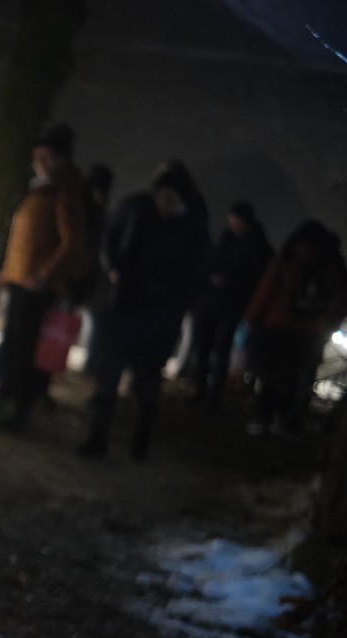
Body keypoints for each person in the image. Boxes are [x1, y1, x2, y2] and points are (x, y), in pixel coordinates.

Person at [76, 162, 210, 460]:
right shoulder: (136, 207)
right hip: (124, 307)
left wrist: (175, 305)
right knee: (108, 375)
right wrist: (112, 268)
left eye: (170, 198)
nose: (163, 202)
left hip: (159, 320)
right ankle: (97, 438)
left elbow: (197, 276)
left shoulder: (193, 228)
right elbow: (110, 237)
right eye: (160, 195)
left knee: (147, 383)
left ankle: (140, 443)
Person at [0, 124, 87, 431]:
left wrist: (45, 274)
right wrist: (2, 265)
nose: (38, 160)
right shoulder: (36, 187)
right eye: (37, 154)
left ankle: (18, 407)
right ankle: (6, 397)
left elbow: (72, 242)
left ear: (59, 159)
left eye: (45, 155)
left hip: (36, 286)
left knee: (25, 349)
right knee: (13, 343)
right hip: (18, 280)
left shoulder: (63, 191)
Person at [243, 220, 347, 435]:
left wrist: (252, 317)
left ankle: (262, 418)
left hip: (278, 325)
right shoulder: (331, 263)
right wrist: (330, 324)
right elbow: (341, 298)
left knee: (270, 375)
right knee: (295, 377)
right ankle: (283, 419)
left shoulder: (286, 258)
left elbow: (266, 289)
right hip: (312, 330)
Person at [185, 201, 273, 410]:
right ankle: (200, 389)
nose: (233, 224)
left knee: (222, 351)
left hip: (232, 305)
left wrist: (230, 281)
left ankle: (213, 395)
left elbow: (255, 279)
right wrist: (205, 284)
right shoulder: (225, 239)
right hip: (210, 302)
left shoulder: (258, 246)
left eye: (237, 220)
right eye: (231, 220)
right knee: (203, 346)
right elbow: (210, 263)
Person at [75, 163, 114, 375]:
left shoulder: (98, 216)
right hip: (81, 273)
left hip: (94, 277)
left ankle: (91, 365)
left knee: (96, 320)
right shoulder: (85, 213)